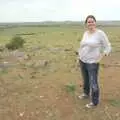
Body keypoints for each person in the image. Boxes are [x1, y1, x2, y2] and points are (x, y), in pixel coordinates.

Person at [78, 15, 112, 108]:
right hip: (82, 60)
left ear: (95, 22)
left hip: (93, 62)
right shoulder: (85, 33)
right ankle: (86, 93)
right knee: (85, 79)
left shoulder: (100, 33)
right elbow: (82, 45)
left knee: (93, 82)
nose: (90, 23)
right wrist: (79, 55)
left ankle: (94, 102)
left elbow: (108, 46)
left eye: (92, 21)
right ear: (86, 24)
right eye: (89, 22)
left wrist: (103, 54)